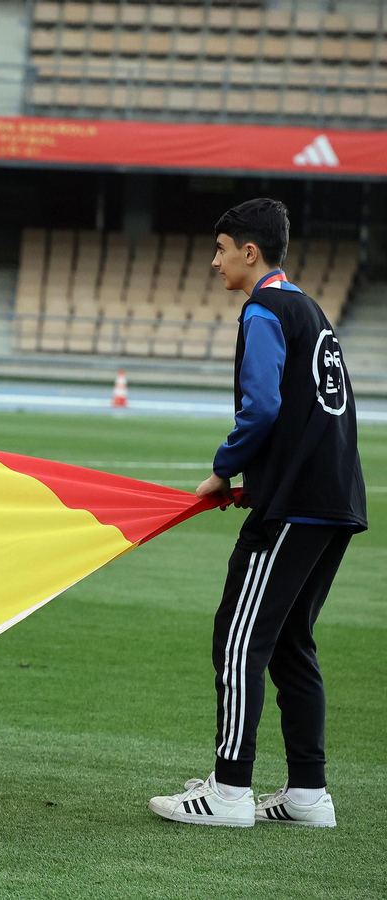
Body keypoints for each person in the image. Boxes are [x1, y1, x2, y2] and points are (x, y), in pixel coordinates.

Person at [149, 198, 366, 828]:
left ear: (250, 252)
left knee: (238, 638)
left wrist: (222, 470)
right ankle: (307, 795)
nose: (213, 262)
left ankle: (230, 789)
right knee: (292, 641)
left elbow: (264, 407)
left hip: (294, 506)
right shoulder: (313, 310)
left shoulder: (264, 309)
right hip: (334, 502)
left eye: (219, 249)